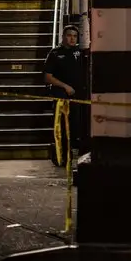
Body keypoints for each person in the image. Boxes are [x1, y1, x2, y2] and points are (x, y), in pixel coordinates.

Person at [43, 25, 84, 167]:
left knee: (76, 126)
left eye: (74, 36)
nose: (72, 38)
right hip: (61, 96)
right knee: (62, 126)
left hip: (78, 97)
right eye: (69, 35)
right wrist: (65, 86)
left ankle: (72, 155)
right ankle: (60, 156)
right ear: (63, 37)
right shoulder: (55, 54)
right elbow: (48, 77)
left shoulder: (80, 52)